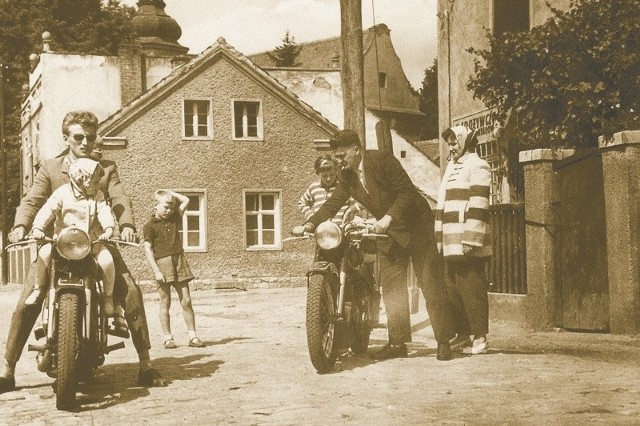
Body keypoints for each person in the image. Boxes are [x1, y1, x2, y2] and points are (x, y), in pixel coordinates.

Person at [0, 111, 166, 393]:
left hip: (97, 242)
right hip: (60, 245)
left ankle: (145, 364)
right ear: (67, 138)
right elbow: (33, 200)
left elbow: (119, 197)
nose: (86, 142)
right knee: (28, 298)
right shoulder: (51, 168)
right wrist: (20, 226)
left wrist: (125, 225)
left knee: (131, 292)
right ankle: (7, 369)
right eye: (79, 137)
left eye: (90, 137)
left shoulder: (106, 168)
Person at [293, 129, 455, 361]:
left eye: (341, 156)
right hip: (389, 234)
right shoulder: (347, 177)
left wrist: (388, 218)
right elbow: (332, 204)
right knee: (392, 289)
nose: (338, 161)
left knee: (430, 284)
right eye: (336, 156)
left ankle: (443, 341)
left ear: (356, 150)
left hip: (416, 228)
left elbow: (407, 193)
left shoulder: (382, 160)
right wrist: (310, 224)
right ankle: (397, 343)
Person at [26, 158, 117, 318]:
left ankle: (108, 298)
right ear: (83, 179)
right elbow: (48, 210)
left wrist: (108, 228)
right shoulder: (62, 193)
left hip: (90, 243)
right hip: (62, 244)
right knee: (44, 253)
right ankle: (39, 288)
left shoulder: (98, 195)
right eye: (95, 182)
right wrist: (38, 228)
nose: (97, 186)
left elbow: (104, 211)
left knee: (107, 260)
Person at [436, 126, 492, 355]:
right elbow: (442, 204)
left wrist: (472, 238)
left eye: (454, 142)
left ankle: (480, 338)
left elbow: (479, 204)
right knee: (452, 289)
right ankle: (462, 334)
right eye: (449, 143)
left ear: (466, 141)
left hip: (468, 241)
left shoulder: (478, 165)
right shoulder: (451, 167)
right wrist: (440, 239)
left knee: (472, 289)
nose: (451, 147)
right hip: (450, 242)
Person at [142, 190, 205, 349]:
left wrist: (168, 192)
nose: (169, 210)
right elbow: (148, 249)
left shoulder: (175, 218)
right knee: (165, 302)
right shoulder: (149, 226)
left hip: (179, 261)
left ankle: (193, 336)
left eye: (171, 207)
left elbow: (185, 200)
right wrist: (156, 271)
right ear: (155, 206)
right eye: (165, 207)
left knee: (187, 301)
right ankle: (167, 338)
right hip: (162, 264)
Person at [298, 154, 363, 224]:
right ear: (318, 174)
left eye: (331, 175)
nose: (328, 178)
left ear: (336, 171)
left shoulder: (343, 186)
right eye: (324, 176)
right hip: (320, 228)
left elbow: (360, 201)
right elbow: (302, 203)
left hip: (340, 226)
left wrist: (353, 209)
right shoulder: (313, 188)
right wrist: (311, 217)